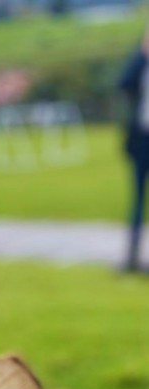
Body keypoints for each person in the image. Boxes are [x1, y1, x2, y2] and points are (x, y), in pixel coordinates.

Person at [118, 31, 149, 272]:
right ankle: (132, 257)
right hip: (142, 140)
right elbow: (123, 82)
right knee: (138, 199)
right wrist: (142, 54)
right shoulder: (141, 66)